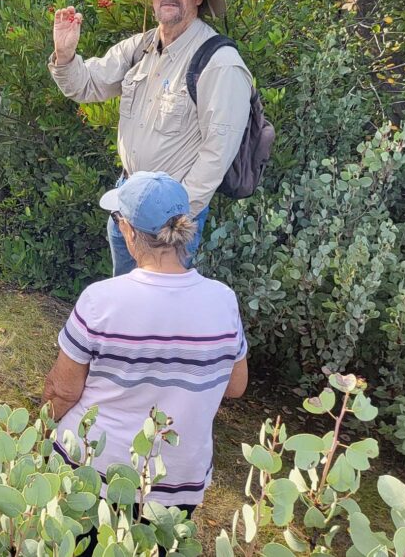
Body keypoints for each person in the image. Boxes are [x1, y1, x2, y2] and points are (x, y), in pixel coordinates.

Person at [42, 172, 248, 553]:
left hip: (95, 469)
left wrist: (38, 434)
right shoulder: (223, 300)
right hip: (176, 481)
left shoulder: (100, 299)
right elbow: (235, 386)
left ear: (128, 230)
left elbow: (62, 390)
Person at [49, 0, 254, 275]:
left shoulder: (220, 62)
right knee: (126, 296)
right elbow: (86, 86)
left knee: (161, 312)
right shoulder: (139, 47)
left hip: (170, 215)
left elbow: (218, 152)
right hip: (126, 199)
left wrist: (178, 214)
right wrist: (65, 54)